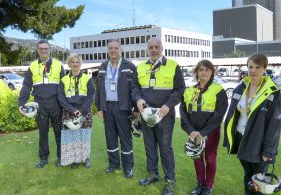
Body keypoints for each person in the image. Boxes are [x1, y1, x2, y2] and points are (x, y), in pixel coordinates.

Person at [223, 53, 281, 195]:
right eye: (250, 67)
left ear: (264, 69)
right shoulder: (240, 88)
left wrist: (268, 151)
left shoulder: (273, 93)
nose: (253, 70)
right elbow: (232, 114)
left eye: (257, 67)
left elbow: (275, 125)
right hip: (241, 139)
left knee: (260, 181)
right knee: (247, 175)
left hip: (259, 143)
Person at [132, 37, 185, 195]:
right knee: (149, 146)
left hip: (165, 115)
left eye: (156, 47)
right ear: (147, 49)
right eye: (151, 47)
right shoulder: (140, 67)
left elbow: (180, 89)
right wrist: (138, 99)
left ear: (162, 48)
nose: (154, 50)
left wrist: (168, 105)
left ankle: (170, 180)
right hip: (146, 114)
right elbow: (135, 87)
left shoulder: (173, 66)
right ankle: (152, 174)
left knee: (165, 148)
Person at [180, 60, 228, 195]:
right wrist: (191, 131)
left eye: (207, 70)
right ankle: (200, 184)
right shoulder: (190, 90)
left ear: (212, 72)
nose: (204, 72)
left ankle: (208, 186)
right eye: (201, 70)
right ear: (197, 72)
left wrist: (203, 132)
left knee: (210, 158)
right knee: (197, 157)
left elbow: (219, 115)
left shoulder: (218, 90)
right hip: (194, 132)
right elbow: (183, 112)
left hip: (211, 132)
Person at [18, 40, 65, 168]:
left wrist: (66, 105)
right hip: (40, 105)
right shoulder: (32, 66)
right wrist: (22, 102)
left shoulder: (58, 65)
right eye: (41, 49)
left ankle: (61, 158)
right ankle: (43, 158)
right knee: (43, 133)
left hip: (56, 104)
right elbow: (26, 86)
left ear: (49, 49)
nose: (43, 51)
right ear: (37, 50)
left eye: (46, 48)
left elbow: (64, 86)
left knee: (59, 132)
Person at [95, 39, 136, 178]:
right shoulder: (102, 66)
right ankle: (113, 164)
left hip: (123, 107)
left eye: (115, 48)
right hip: (107, 107)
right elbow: (99, 88)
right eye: (110, 48)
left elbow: (134, 89)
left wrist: (135, 108)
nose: (113, 50)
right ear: (108, 50)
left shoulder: (129, 66)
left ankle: (128, 167)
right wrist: (99, 107)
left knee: (125, 138)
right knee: (110, 137)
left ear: (120, 50)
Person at [57, 53, 94, 169]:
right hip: (69, 111)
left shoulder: (88, 79)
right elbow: (61, 97)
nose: (75, 64)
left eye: (77, 62)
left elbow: (90, 96)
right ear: (69, 64)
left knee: (85, 136)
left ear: (80, 63)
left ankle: (86, 159)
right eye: (72, 62)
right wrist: (73, 110)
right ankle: (75, 160)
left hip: (85, 112)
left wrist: (81, 110)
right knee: (72, 137)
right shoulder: (63, 80)